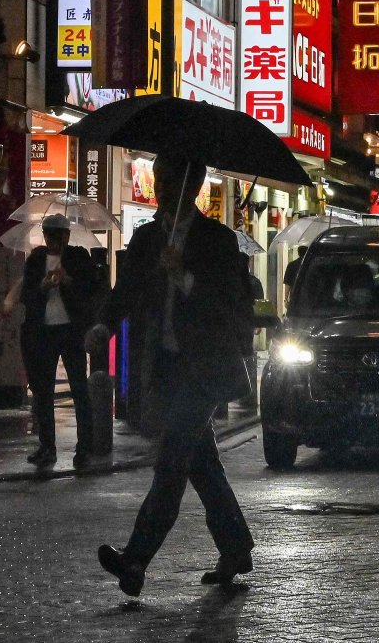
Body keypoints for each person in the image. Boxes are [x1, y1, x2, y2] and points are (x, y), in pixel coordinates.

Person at [85, 153, 255, 596]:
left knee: (173, 461)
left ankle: (136, 560)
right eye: (159, 178)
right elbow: (126, 291)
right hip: (166, 367)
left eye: (172, 179)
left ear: (194, 184)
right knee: (202, 463)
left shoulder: (217, 241)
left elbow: (228, 303)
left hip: (205, 370)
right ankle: (236, 547)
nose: (162, 187)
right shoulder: (145, 240)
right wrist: (104, 324)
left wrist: (184, 277)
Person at [0, 212, 102, 470]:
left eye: (59, 235)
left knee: (80, 390)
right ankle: (47, 447)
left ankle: (84, 448)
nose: (54, 240)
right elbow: (27, 297)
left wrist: (68, 281)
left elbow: (92, 290)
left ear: (67, 236)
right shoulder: (36, 260)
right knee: (43, 392)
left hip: (71, 332)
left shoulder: (78, 258)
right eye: (49, 235)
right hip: (42, 333)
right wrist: (44, 288)